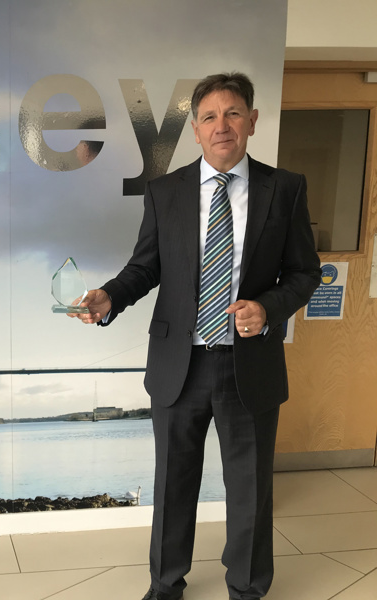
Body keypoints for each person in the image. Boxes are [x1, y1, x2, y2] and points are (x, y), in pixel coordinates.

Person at [71, 73, 320, 600]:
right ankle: (165, 585)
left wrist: (268, 308)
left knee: (250, 489)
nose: (221, 125)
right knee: (174, 483)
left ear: (252, 121)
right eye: (208, 116)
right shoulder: (166, 191)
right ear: (195, 130)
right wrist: (110, 296)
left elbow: (304, 274)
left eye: (232, 113)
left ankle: (248, 587)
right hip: (177, 363)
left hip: (248, 362)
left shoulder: (286, 188)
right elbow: (145, 267)